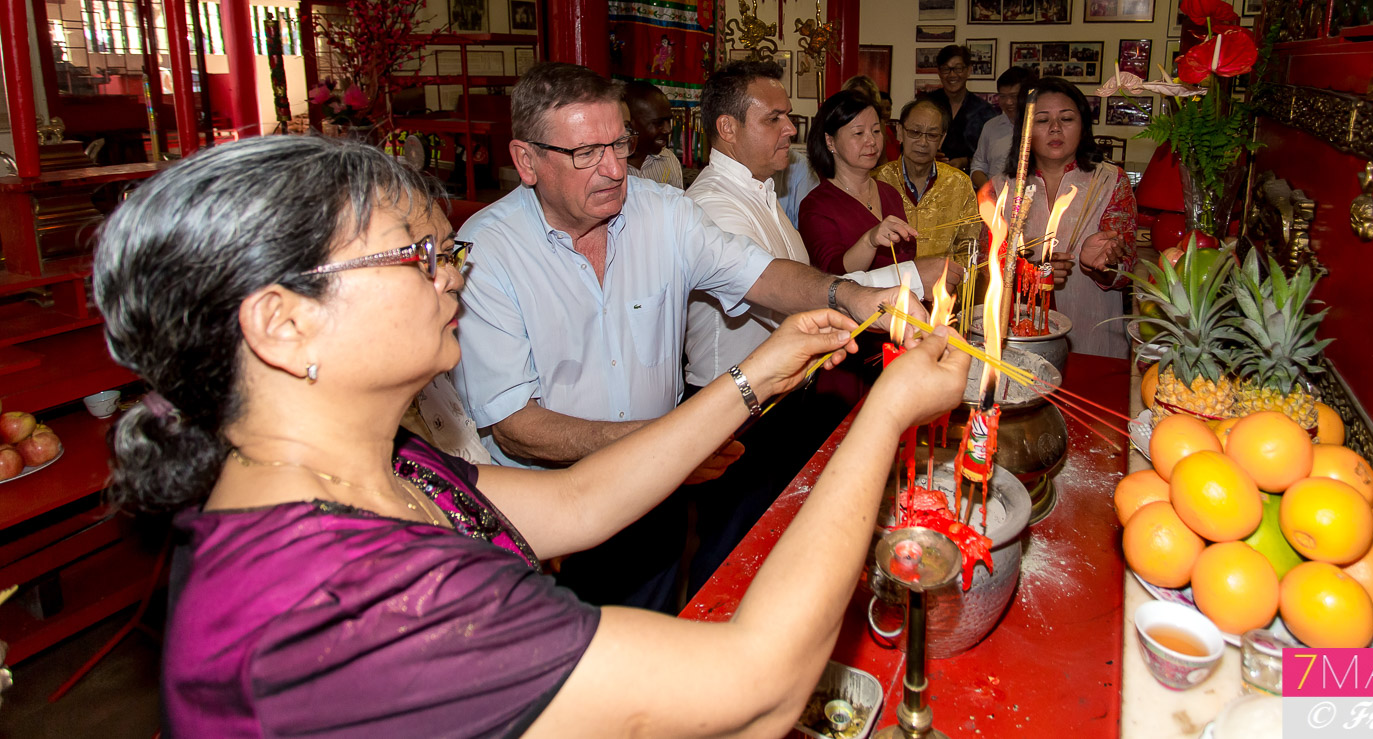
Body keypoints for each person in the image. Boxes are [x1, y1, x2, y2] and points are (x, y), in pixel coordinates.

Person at [94, 134, 971, 736]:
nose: (455, 278)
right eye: (420, 256)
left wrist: (754, 377)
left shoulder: (372, 466)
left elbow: (576, 501)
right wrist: (886, 410)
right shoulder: (340, 602)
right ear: (281, 323)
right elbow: (762, 682)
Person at [452, 63, 907, 611]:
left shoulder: (662, 212)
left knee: (659, 640)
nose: (615, 168)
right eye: (586, 153)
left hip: (655, 503)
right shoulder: (487, 252)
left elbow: (763, 274)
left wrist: (849, 297)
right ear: (526, 160)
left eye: (620, 143)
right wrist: (666, 446)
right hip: (547, 524)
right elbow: (516, 427)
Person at [683, 59, 933, 588]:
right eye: (774, 118)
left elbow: (815, 280)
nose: (792, 129)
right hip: (734, 404)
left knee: (773, 540)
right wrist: (909, 278)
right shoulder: (710, 205)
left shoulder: (762, 193)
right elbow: (789, 301)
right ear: (728, 129)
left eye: (790, 117)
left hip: (778, 395)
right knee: (732, 550)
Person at [978, 77, 1137, 358]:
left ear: (1083, 125)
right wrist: (1032, 272)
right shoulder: (1001, 189)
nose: (1055, 128)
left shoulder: (1110, 181)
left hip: (1095, 339)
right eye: (1042, 120)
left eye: (1066, 118)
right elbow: (985, 265)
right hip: (1020, 340)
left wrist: (1099, 264)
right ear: (1024, 130)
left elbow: (1125, 274)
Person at [797, 90, 919, 275]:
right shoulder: (816, 206)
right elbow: (830, 275)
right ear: (830, 141)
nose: (871, 141)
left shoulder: (890, 193)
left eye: (876, 131)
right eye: (859, 133)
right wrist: (869, 241)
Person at [873, 98, 980, 261]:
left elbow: (968, 246)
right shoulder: (876, 181)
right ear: (900, 132)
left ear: (942, 139)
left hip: (943, 283)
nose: (923, 142)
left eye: (932, 135)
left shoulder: (959, 183)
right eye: (915, 132)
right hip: (890, 283)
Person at [929, 45, 999, 173]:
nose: (952, 74)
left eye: (958, 68)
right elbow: (907, 146)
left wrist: (965, 161)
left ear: (968, 71)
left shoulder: (984, 112)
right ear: (939, 72)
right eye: (946, 69)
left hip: (971, 184)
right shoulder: (925, 105)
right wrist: (928, 157)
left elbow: (994, 156)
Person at [971, 65, 1034, 190]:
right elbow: (978, 166)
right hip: (995, 201)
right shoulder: (991, 126)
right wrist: (989, 189)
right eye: (1003, 96)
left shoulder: (1040, 128)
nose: (1008, 102)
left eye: (1014, 96)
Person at [622, 79, 683, 189]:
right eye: (658, 123)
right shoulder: (608, 167)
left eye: (668, 121)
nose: (668, 130)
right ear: (629, 124)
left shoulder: (669, 160)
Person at [843, 73, 897, 162]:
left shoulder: (880, 125)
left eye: (863, 99)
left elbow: (882, 162)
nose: (859, 103)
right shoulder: (841, 124)